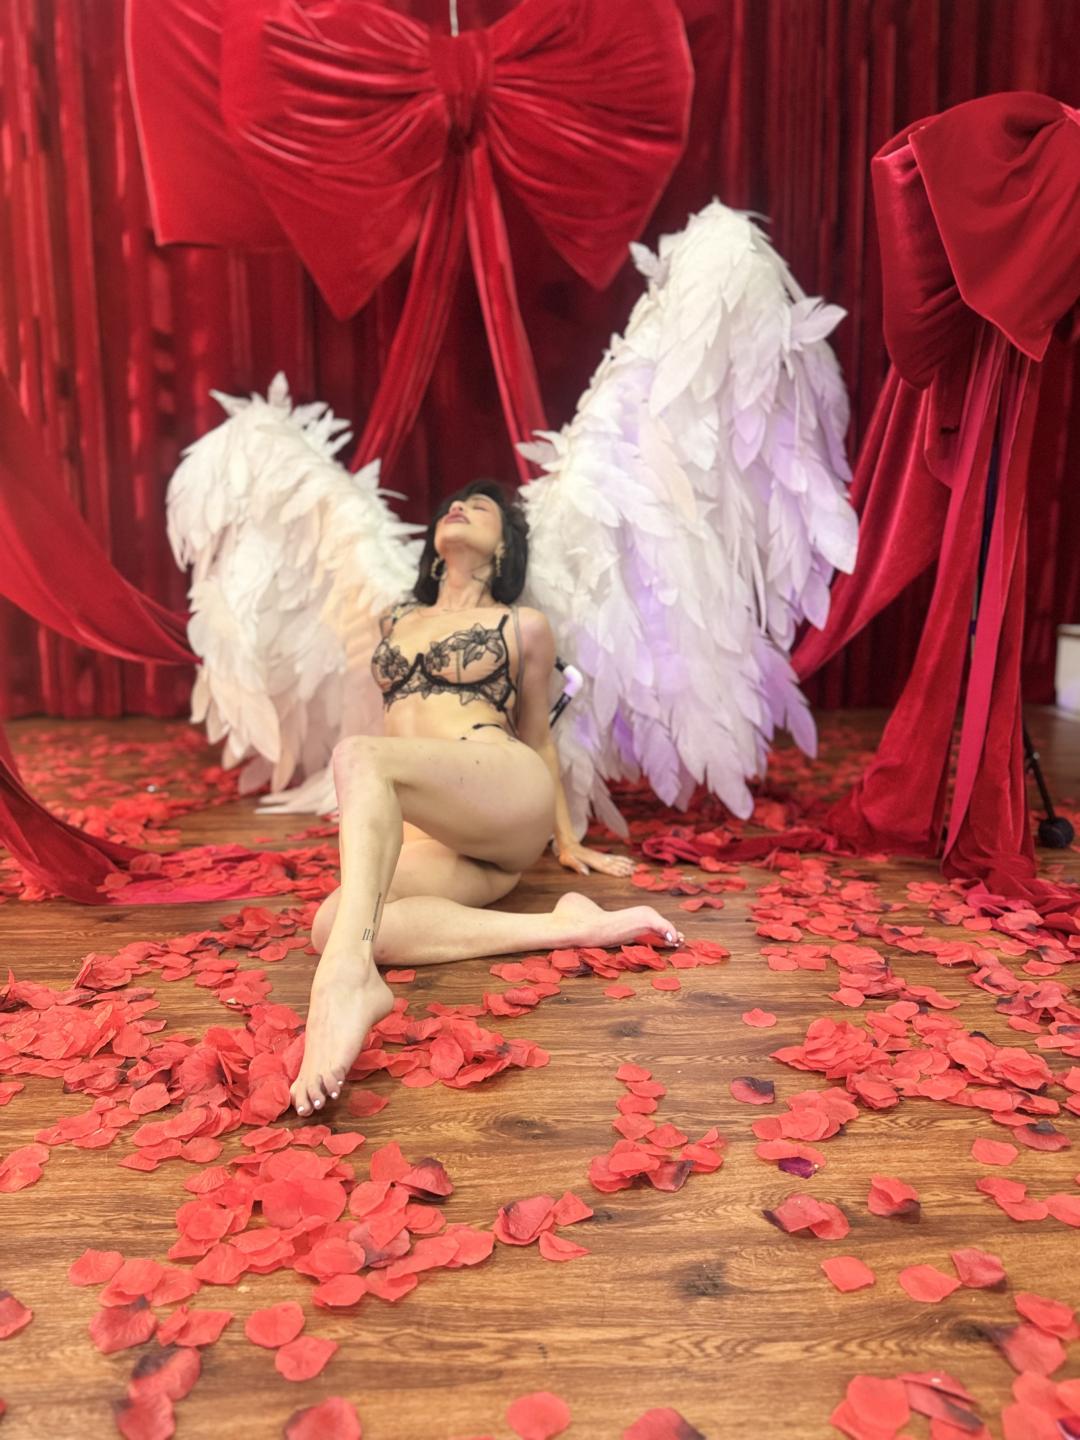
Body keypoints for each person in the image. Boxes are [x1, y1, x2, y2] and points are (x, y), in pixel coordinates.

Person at [290, 480, 680, 1116]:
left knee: (357, 755)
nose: (458, 507)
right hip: (437, 830)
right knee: (330, 924)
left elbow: (539, 738)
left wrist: (566, 838)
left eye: (480, 508)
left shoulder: (523, 625)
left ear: (503, 548)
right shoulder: (394, 621)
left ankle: (346, 981)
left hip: (504, 788)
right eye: (452, 503)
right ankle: (567, 927)